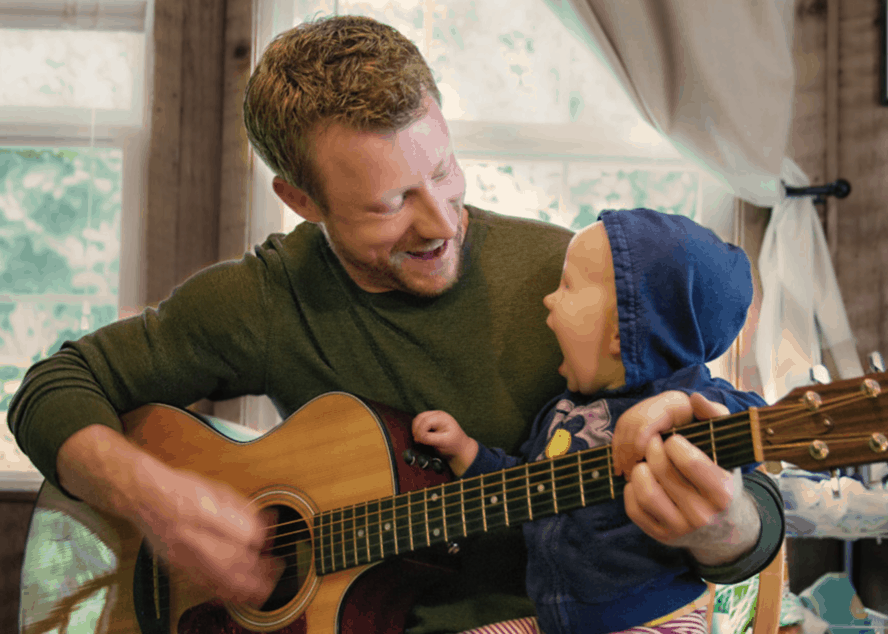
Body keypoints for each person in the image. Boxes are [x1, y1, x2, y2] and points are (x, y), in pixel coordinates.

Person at [8, 14, 783, 634]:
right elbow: (52, 388)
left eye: (443, 172)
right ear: (300, 200)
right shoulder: (267, 300)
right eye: (390, 203)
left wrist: (724, 528)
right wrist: (158, 501)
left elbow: (742, 495)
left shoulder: (580, 284)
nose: (441, 222)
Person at [413, 209, 783, 634]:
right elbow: (526, 488)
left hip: (654, 623)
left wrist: (680, 404)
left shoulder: (683, 397)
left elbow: (756, 417)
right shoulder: (563, 414)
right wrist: (466, 451)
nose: (549, 299)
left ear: (623, 331)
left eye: (567, 286)